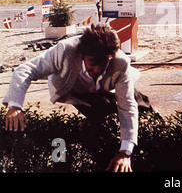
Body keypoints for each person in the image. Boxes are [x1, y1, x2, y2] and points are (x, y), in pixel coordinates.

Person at [2, 24, 152, 172]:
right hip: (77, 90)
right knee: (100, 119)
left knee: (135, 102)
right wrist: (15, 106)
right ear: (82, 54)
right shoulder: (64, 50)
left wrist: (126, 152)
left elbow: (126, 106)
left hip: (110, 87)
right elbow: (26, 70)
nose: (97, 70)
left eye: (103, 64)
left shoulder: (121, 62)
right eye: (92, 63)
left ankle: (150, 112)